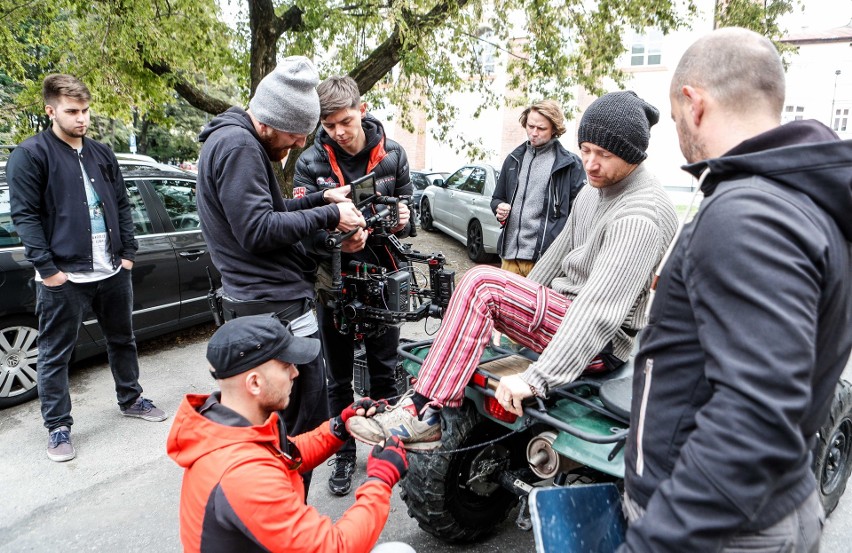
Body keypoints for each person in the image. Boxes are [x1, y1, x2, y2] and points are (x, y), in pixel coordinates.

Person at [617, 28, 852, 552]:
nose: (680, 134)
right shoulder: (801, 204)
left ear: (692, 103)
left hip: (724, 532)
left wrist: (654, 541)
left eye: (676, 122)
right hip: (754, 511)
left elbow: (756, 415)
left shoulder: (748, 214)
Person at [347, 91, 678, 449]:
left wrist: (538, 378)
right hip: (564, 312)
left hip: (601, 341)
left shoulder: (640, 215)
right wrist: (509, 319)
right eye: (585, 149)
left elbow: (599, 313)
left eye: (604, 155)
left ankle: (426, 412)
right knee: (487, 286)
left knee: (483, 282)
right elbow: (553, 260)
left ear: (633, 156)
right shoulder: (595, 191)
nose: (590, 164)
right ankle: (422, 403)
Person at [195, 56, 366, 495]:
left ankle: (277, 511)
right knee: (302, 422)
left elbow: (268, 213)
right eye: (296, 134)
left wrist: (317, 203)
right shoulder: (238, 148)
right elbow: (257, 230)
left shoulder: (234, 140)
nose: (296, 144)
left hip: (258, 303)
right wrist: (330, 215)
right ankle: (289, 516)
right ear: (272, 121)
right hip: (277, 309)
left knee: (275, 424)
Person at [8, 74, 167, 463]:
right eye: (72, 111)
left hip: (112, 270)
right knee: (54, 353)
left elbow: (123, 204)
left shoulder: (101, 152)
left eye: (85, 110)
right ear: (51, 111)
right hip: (64, 276)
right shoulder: (30, 155)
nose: (82, 119)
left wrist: (127, 254)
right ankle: (58, 427)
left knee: (122, 339)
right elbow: (25, 216)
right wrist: (48, 271)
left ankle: (131, 399)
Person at [167, 314, 413, 553]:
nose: (296, 373)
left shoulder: (229, 426)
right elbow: (335, 547)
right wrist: (380, 479)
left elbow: (285, 455)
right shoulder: (244, 476)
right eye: (286, 366)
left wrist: (340, 426)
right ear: (254, 383)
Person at [293, 75, 412, 496]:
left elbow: (408, 209)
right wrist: (337, 238)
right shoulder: (310, 162)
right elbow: (302, 230)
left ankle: (384, 447)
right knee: (337, 375)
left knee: (384, 368)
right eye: (329, 126)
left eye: (345, 121)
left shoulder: (393, 153)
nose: (339, 132)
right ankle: (342, 451)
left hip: (383, 273)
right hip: (333, 279)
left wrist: (403, 218)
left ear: (361, 110)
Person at [491, 99, 585, 276]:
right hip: (510, 257)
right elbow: (497, 198)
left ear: (554, 130)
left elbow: (580, 215)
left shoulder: (570, 165)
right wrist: (499, 208)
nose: (534, 133)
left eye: (541, 128)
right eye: (530, 126)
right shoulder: (513, 159)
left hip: (546, 261)